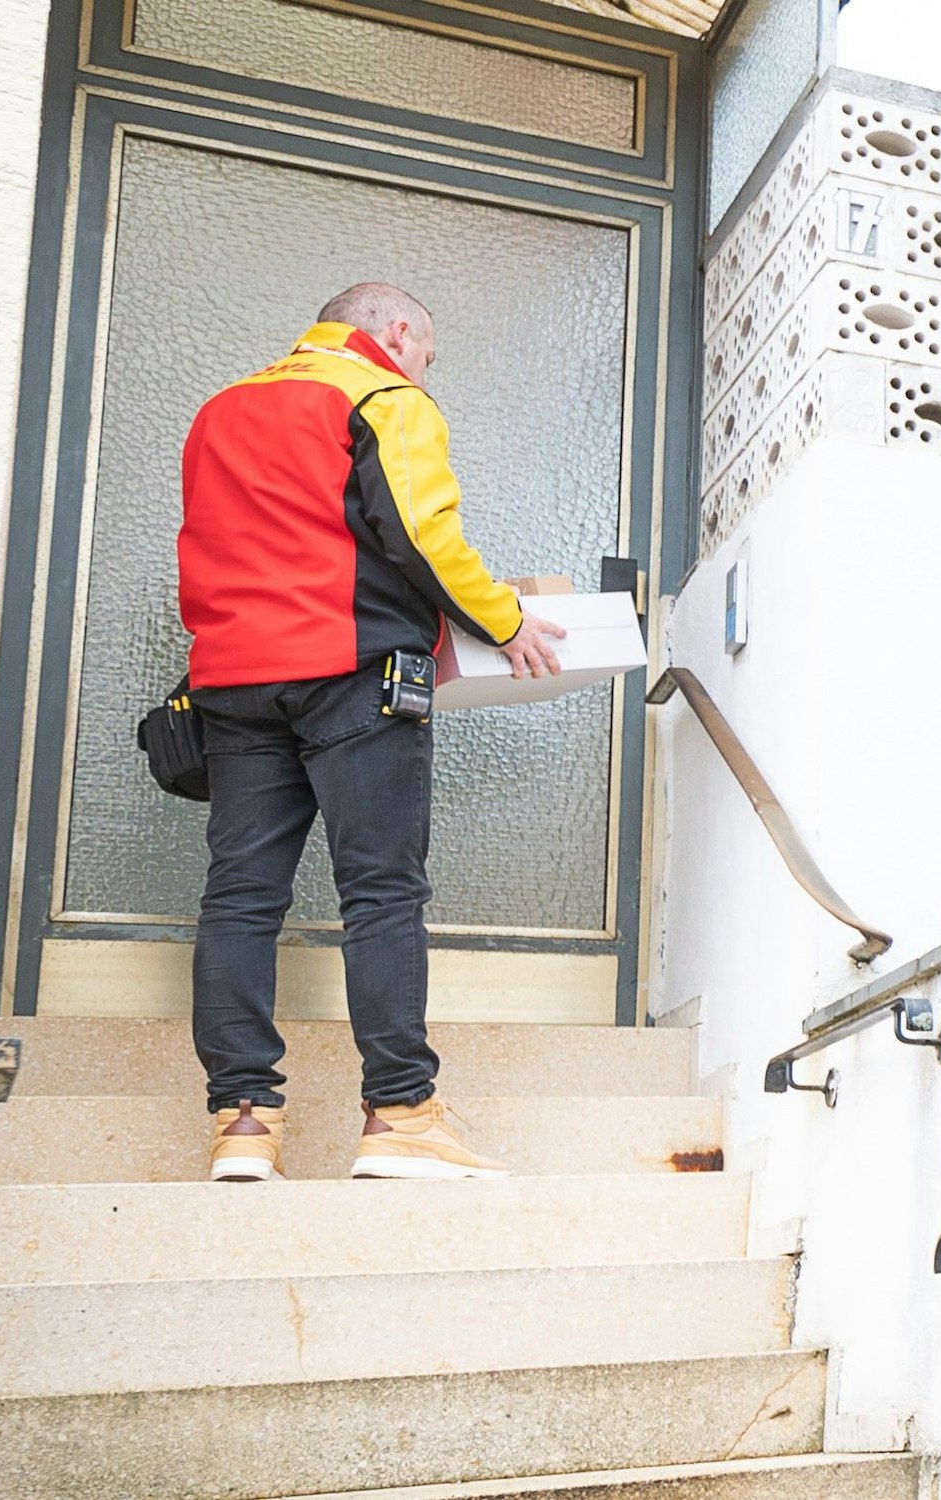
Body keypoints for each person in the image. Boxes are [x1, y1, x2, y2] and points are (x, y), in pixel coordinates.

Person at [177, 282, 565, 1183]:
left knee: (240, 896)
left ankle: (243, 1122)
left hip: (234, 678)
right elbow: (421, 533)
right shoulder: (384, 396)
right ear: (395, 331)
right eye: (427, 350)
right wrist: (508, 622)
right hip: (351, 673)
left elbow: (207, 541)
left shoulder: (221, 410)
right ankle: (400, 1115)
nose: (426, 367)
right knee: (382, 893)